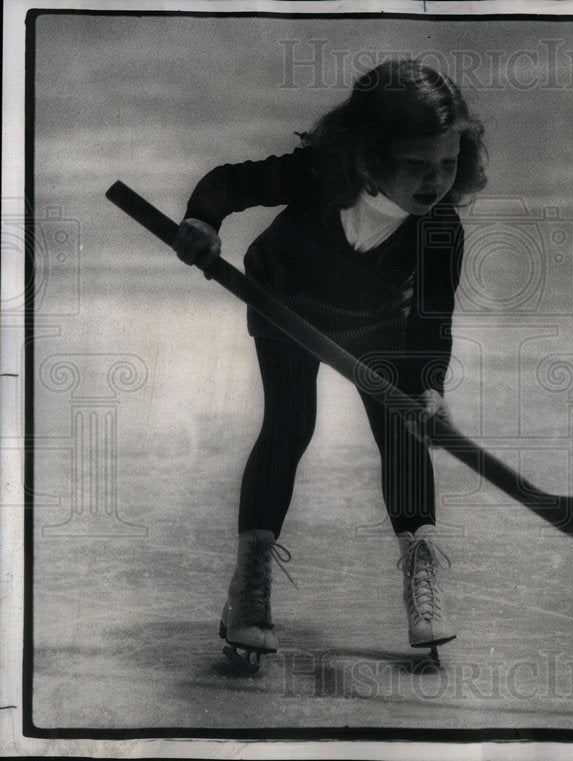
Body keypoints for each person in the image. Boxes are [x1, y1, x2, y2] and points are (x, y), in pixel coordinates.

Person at [171, 59, 487, 671]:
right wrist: (200, 221)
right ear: (367, 158)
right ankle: (250, 585)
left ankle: (419, 565)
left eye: (447, 164)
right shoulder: (317, 175)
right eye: (416, 166)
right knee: (290, 425)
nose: (435, 182)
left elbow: (431, 319)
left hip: (374, 322)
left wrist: (428, 387)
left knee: (400, 431)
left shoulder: (440, 228)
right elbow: (227, 184)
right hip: (284, 299)